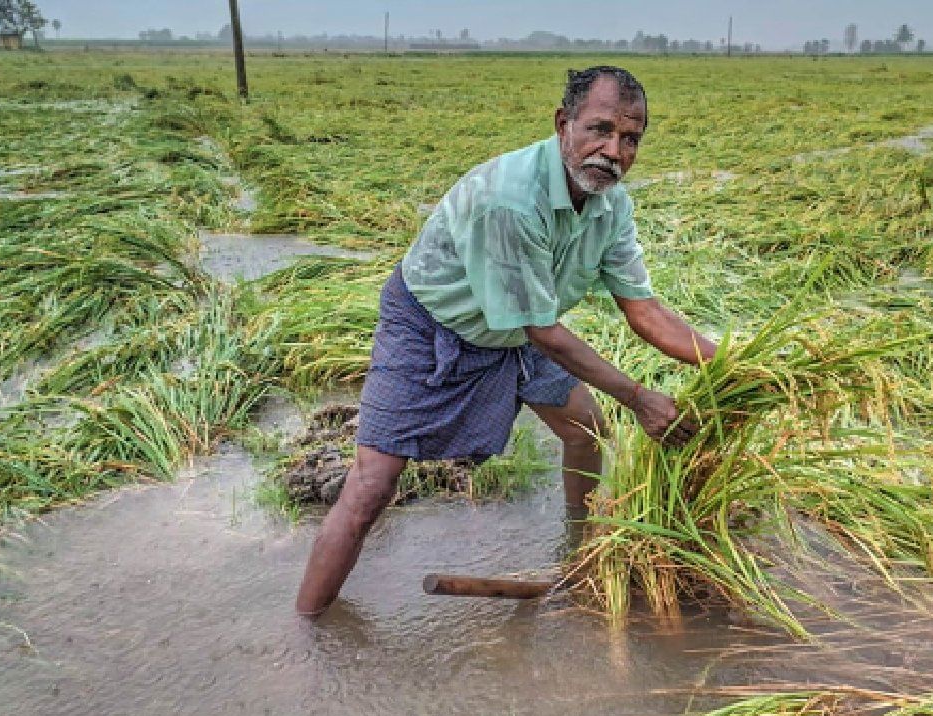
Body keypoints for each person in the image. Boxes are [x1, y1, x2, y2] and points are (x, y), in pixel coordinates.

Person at [296, 66, 717, 617]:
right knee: (373, 485)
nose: (613, 151)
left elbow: (644, 310)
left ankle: (579, 557)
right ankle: (307, 630)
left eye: (630, 138)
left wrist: (733, 364)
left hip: (517, 325)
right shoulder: (511, 201)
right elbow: (543, 331)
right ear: (563, 123)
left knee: (585, 428)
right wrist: (639, 397)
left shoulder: (612, 205)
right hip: (432, 323)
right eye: (599, 130)